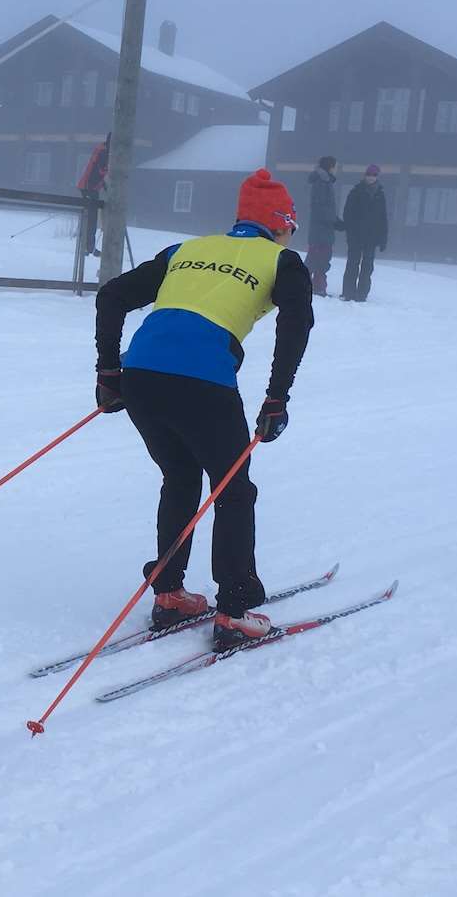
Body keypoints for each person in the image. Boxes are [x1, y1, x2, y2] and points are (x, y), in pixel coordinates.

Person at [94, 168, 314, 649]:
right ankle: (234, 611)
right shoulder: (283, 260)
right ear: (280, 224)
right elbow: (297, 323)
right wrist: (276, 398)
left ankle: (169, 594)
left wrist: (109, 373)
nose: (292, 235)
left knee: (179, 474)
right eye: (292, 227)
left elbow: (112, 295)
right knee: (233, 489)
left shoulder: (186, 250)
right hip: (203, 380)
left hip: (142, 376)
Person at [341, 164, 388, 301]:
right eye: (369, 174)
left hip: (371, 237)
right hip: (355, 236)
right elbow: (347, 213)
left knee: (367, 266)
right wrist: (350, 230)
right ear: (365, 175)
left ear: (377, 177)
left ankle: (362, 294)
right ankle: (348, 293)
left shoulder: (380, 195)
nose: (371, 177)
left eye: (373, 175)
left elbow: (382, 218)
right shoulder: (356, 192)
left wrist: (383, 238)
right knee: (353, 264)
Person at [305, 155, 344, 297]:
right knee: (317, 259)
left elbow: (325, 208)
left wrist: (335, 220)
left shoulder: (324, 182)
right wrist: (334, 221)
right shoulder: (322, 183)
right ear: (330, 167)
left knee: (320, 259)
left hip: (323, 229)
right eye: (336, 166)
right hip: (320, 230)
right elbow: (320, 208)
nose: (337, 169)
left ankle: (316, 286)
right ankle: (311, 286)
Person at [76, 135, 110, 257]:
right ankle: (87, 248)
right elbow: (101, 171)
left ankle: (89, 247)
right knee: (90, 220)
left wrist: (104, 185)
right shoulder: (104, 152)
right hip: (88, 188)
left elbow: (100, 172)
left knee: (92, 220)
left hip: (90, 187)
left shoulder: (103, 150)